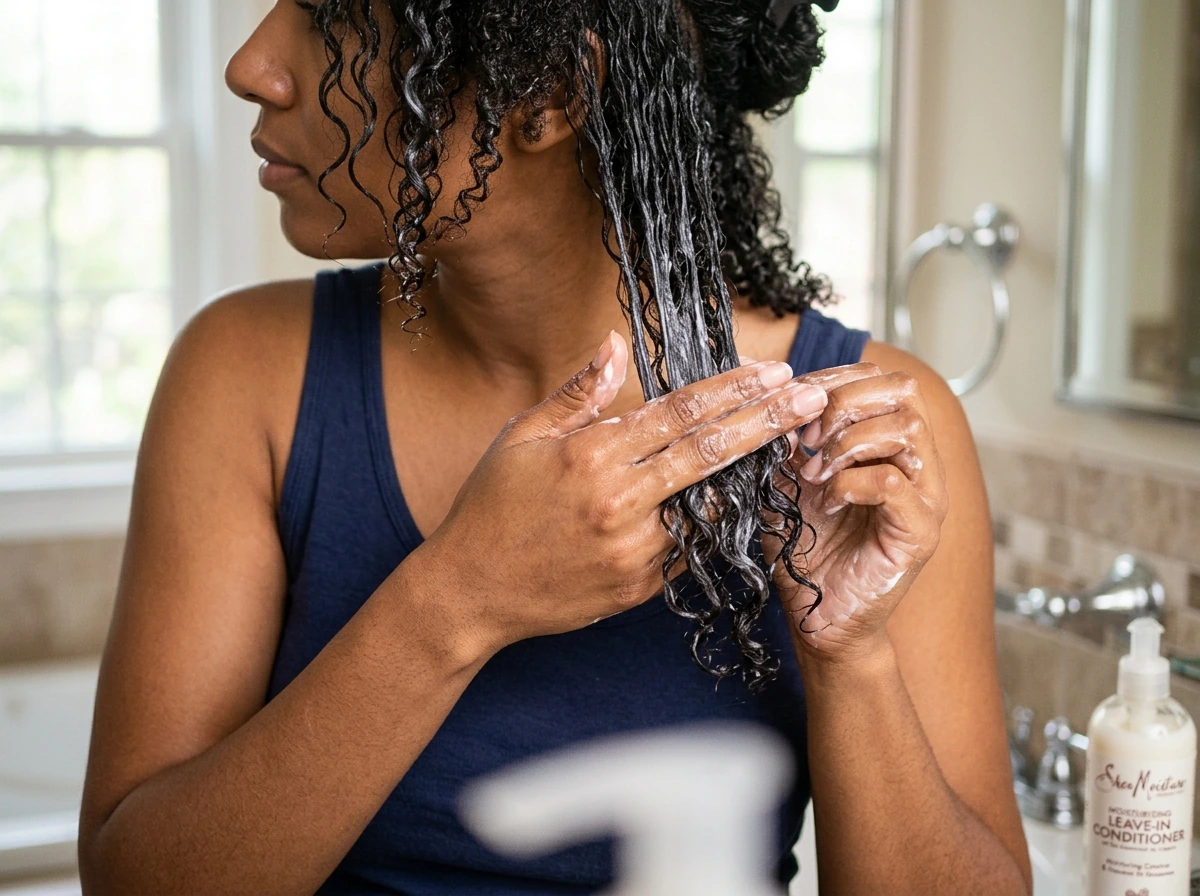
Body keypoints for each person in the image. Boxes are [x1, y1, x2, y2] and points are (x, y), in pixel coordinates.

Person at [77, 1, 1032, 894]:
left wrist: (848, 652)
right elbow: (134, 876)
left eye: (333, 17)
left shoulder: (869, 438)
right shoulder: (246, 375)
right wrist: (459, 596)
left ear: (547, 93)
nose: (253, 66)